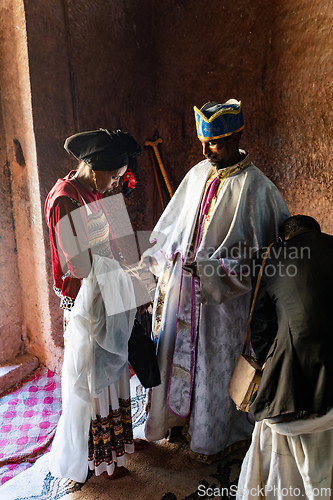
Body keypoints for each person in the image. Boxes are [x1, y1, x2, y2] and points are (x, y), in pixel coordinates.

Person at [143, 99, 290, 462]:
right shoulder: (196, 175)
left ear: (238, 135)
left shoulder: (259, 190)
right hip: (183, 296)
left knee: (215, 366)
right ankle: (176, 420)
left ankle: (214, 433)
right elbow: (171, 230)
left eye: (218, 142)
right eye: (206, 142)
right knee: (172, 354)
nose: (209, 150)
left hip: (224, 309)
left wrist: (211, 273)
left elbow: (266, 262)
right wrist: (167, 262)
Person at [44, 128, 146, 482]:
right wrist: (123, 274)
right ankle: (100, 461)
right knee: (92, 378)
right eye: (114, 177)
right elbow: (79, 264)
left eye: (120, 178)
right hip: (86, 301)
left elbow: (120, 242)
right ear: (93, 166)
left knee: (115, 369)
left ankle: (117, 445)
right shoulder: (65, 200)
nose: (116, 185)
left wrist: (135, 276)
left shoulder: (97, 192)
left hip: (108, 294)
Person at [236, 215, 333, 499]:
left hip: (296, 378)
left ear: (283, 239)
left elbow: (262, 327)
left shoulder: (271, 257)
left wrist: (270, 365)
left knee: (273, 404)